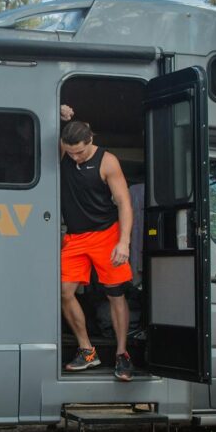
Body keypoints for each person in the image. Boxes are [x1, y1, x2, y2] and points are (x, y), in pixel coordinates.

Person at [58, 104, 135, 382]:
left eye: (79, 151)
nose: (75, 157)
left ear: (90, 141)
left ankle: (122, 354)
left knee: (115, 295)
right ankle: (87, 350)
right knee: (64, 292)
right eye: (70, 152)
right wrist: (61, 113)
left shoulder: (107, 161)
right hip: (76, 237)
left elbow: (125, 204)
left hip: (107, 234)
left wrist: (123, 243)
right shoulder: (66, 151)